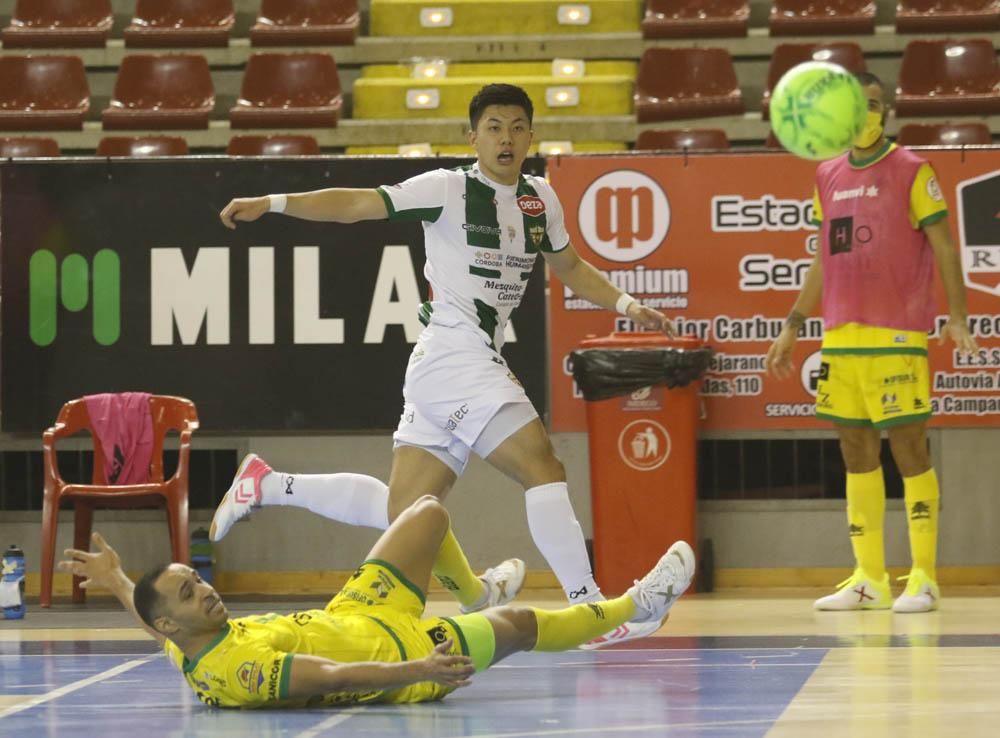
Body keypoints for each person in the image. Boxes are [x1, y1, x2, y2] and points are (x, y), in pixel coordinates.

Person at [216, 83, 676, 646]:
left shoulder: (541, 200)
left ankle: (268, 485)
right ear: (473, 137)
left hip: (454, 360)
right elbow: (358, 204)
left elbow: (572, 267)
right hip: (455, 356)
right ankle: (592, 610)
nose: (505, 138)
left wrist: (630, 305)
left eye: (516, 127)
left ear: (531, 136)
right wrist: (276, 203)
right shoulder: (447, 189)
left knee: (404, 511)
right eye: (493, 128)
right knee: (541, 464)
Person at [57, 497, 695, 709]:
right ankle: (635, 605)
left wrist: (116, 578)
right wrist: (420, 670)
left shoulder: (184, 643)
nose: (208, 590)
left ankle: (475, 589)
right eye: (192, 593)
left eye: (197, 580)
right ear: (179, 618)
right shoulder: (237, 670)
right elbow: (333, 676)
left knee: (426, 514)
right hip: (406, 656)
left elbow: (157, 631)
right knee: (524, 625)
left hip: (356, 611)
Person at [765, 72, 979, 613]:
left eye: (877, 106)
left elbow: (945, 247)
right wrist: (793, 325)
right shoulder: (826, 174)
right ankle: (869, 578)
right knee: (855, 454)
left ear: (889, 111)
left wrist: (957, 315)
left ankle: (924, 577)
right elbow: (822, 258)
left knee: (909, 450)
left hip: (897, 337)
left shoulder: (912, 169)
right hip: (840, 340)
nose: (869, 116)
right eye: (860, 107)